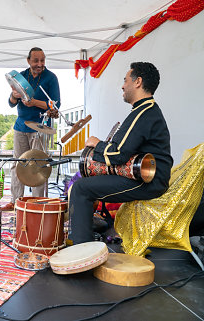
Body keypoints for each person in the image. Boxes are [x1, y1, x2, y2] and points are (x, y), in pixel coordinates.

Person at [69, 62, 173, 244]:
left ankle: (81, 252)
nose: (123, 85)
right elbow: (123, 149)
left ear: (138, 82)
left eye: (125, 80)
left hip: (149, 181)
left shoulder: (144, 112)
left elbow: (118, 154)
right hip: (146, 177)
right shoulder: (145, 111)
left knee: (81, 188)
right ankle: (82, 242)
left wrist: (96, 143)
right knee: (84, 185)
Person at [0, 47, 61, 211]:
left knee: (39, 166)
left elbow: (56, 104)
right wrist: (14, 96)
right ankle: (15, 201)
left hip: (40, 128)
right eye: (36, 61)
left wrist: (34, 103)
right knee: (17, 164)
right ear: (28, 61)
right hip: (20, 127)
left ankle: (38, 202)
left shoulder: (51, 78)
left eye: (42, 60)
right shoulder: (21, 76)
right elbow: (11, 103)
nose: (40, 64)